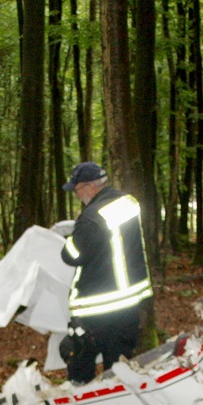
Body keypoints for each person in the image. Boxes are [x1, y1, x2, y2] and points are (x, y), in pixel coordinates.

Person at [59, 161, 153, 384]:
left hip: (98, 307)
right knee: (118, 369)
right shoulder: (127, 203)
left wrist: (68, 239)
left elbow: (72, 255)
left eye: (77, 189)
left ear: (90, 186)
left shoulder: (92, 217)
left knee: (79, 360)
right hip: (129, 304)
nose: (77, 195)